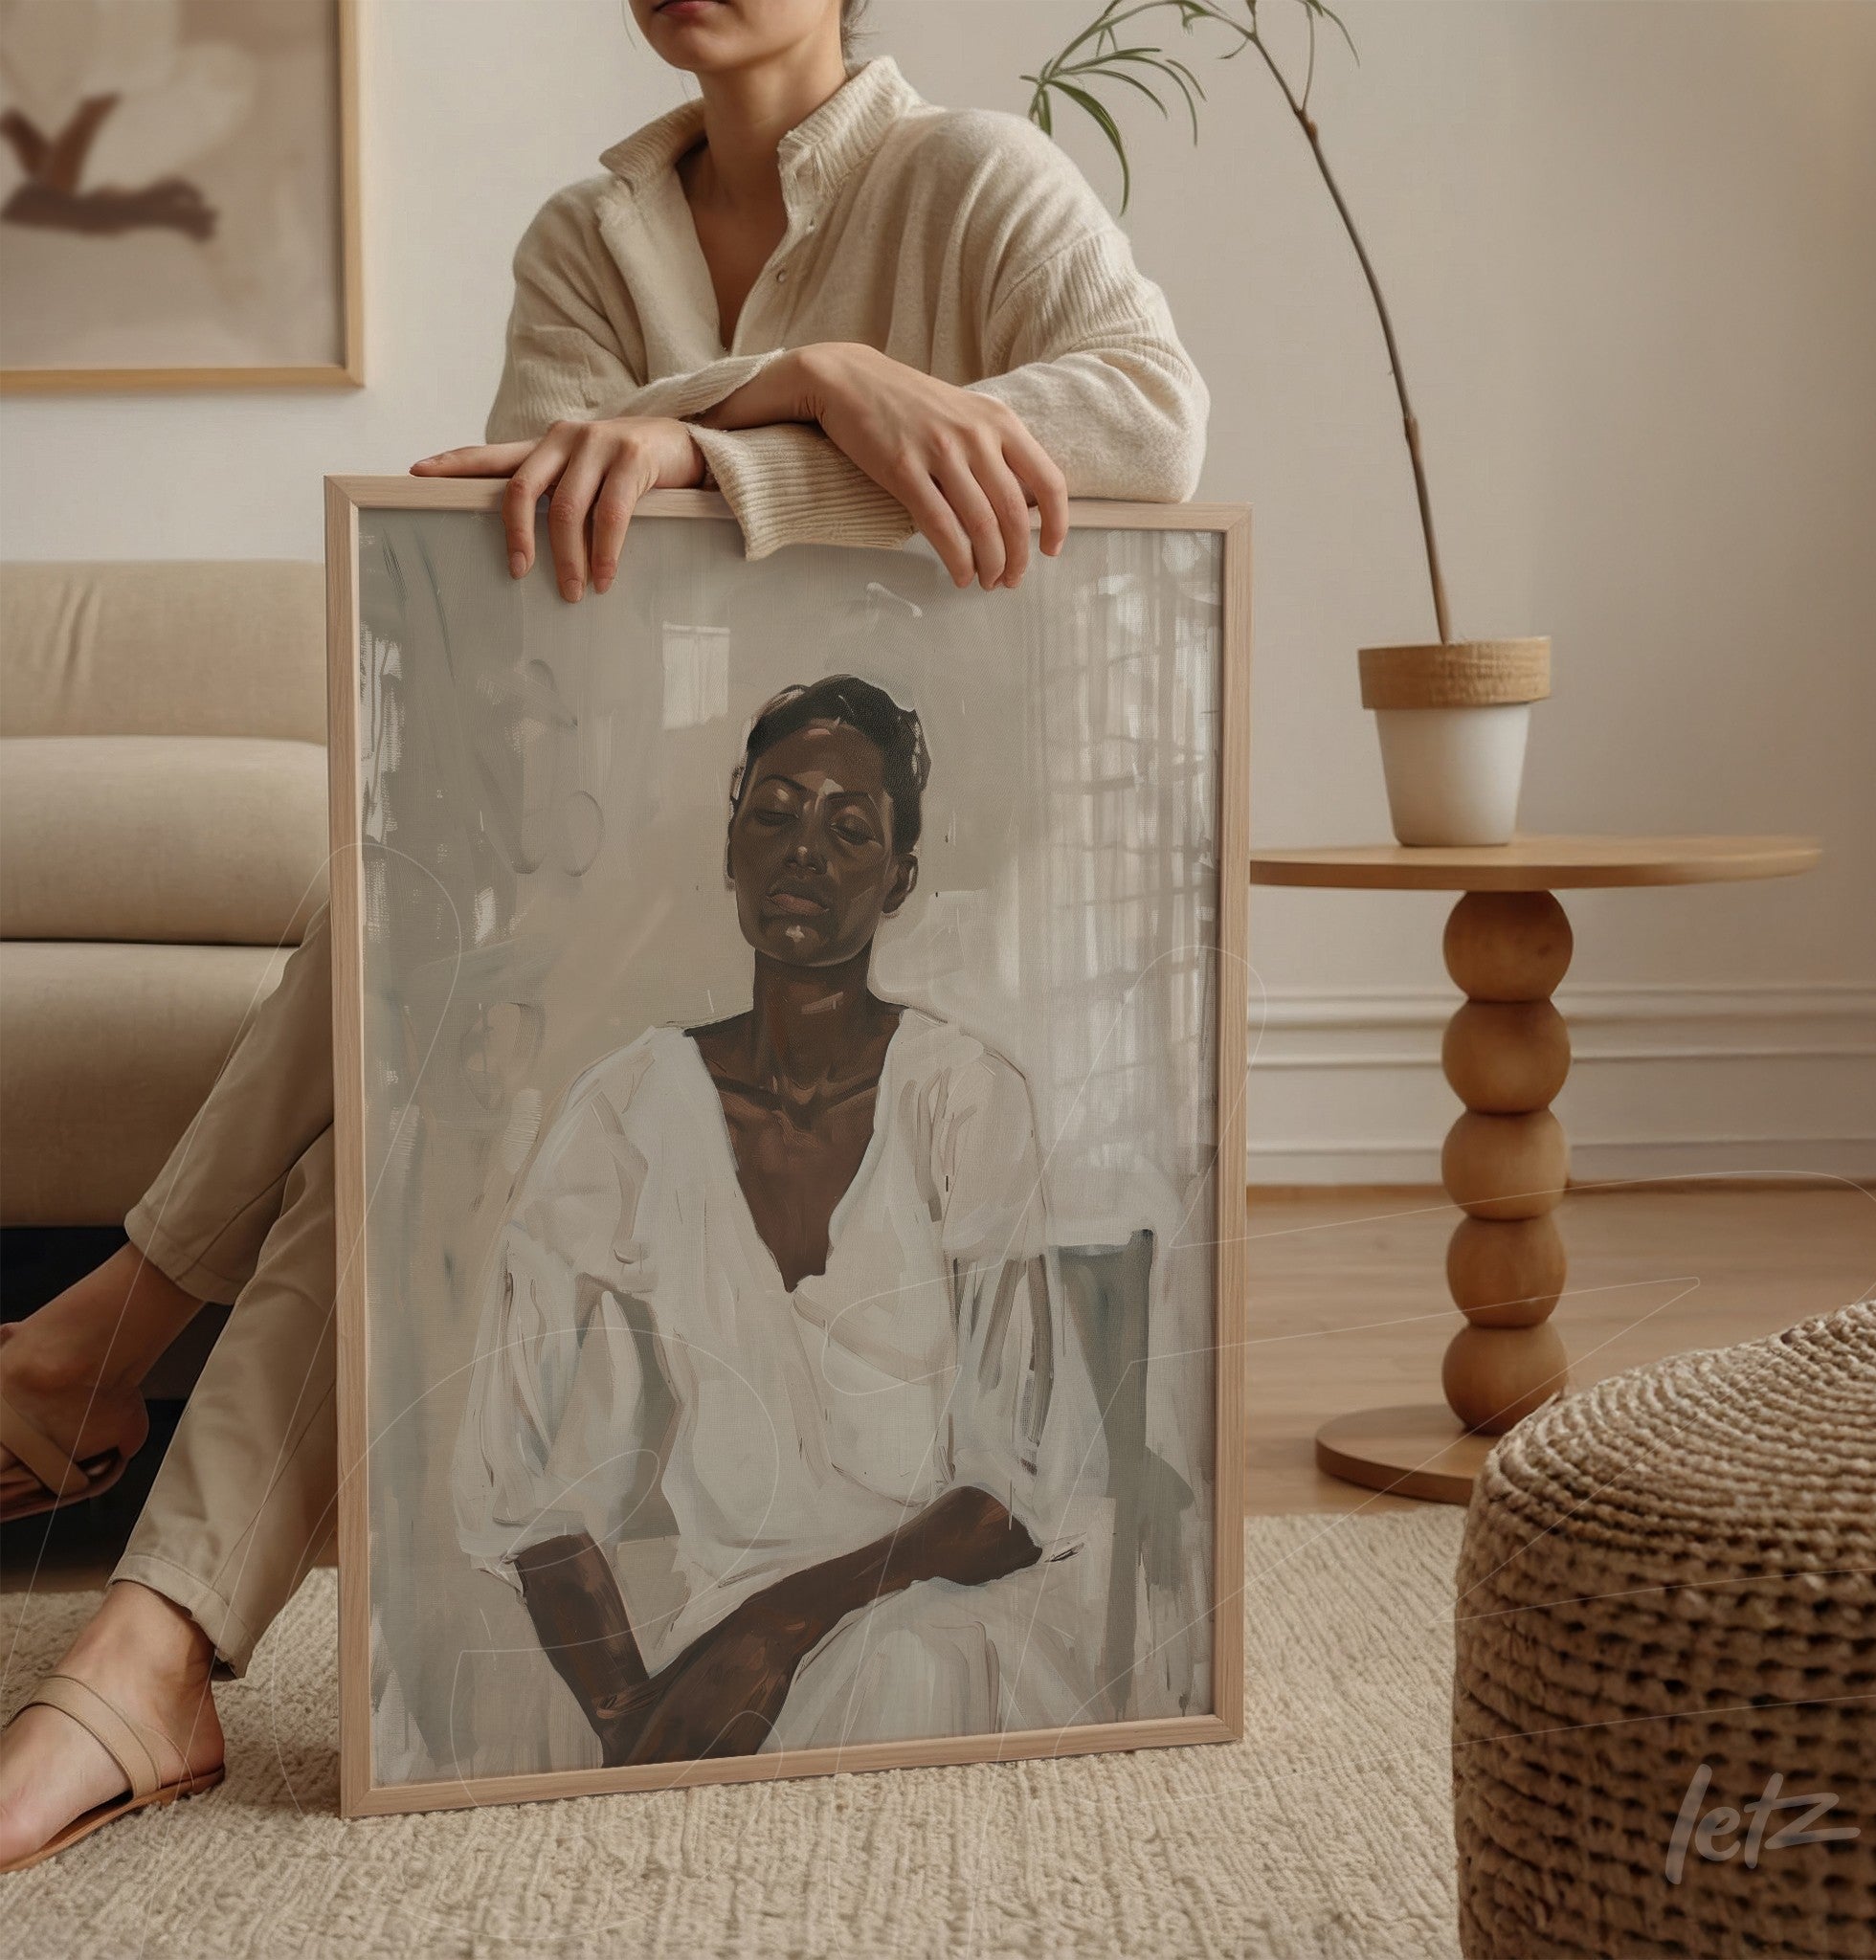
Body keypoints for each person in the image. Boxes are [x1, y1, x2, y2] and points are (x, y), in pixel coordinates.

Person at [0, 0, 1206, 1867]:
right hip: (648, 879)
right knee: (425, 1011)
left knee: (435, 980)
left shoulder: (970, 177)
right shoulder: (588, 235)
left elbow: (1145, 419)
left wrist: (749, 430)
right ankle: (152, 1641)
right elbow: (524, 546)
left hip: (920, 896)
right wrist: (815, 378)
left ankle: (119, 1376)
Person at [458, 676, 1106, 1766]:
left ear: (897, 878)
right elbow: (513, 1472)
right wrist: (631, 1715)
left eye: (848, 827)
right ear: (730, 849)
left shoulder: (961, 1095)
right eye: (774, 813)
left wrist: (781, 1629)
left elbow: (1014, 1491)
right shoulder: (626, 1110)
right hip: (726, 1634)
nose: (803, 848)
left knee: (897, 1663)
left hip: (946, 1620)